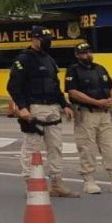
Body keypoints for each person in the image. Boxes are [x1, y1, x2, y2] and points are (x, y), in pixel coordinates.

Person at [6, 25, 79, 198]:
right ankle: (32, 184)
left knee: (56, 147)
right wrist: (22, 108)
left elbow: (55, 86)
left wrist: (65, 105)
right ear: (34, 39)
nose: (48, 43)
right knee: (33, 148)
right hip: (34, 108)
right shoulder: (23, 59)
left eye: (49, 40)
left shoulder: (49, 59)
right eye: (44, 40)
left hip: (53, 107)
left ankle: (57, 184)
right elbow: (13, 86)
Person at [65, 42, 112, 195]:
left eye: (89, 52)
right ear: (77, 55)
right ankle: (89, 181)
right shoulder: (73, 70)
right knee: (86, 147)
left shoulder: (100, 68)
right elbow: (72, 92)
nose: (87, 55)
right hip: (86, 113)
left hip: (104, 114)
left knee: (109, 147)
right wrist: (95, 102)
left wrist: (111, 99)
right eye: (83, 53)